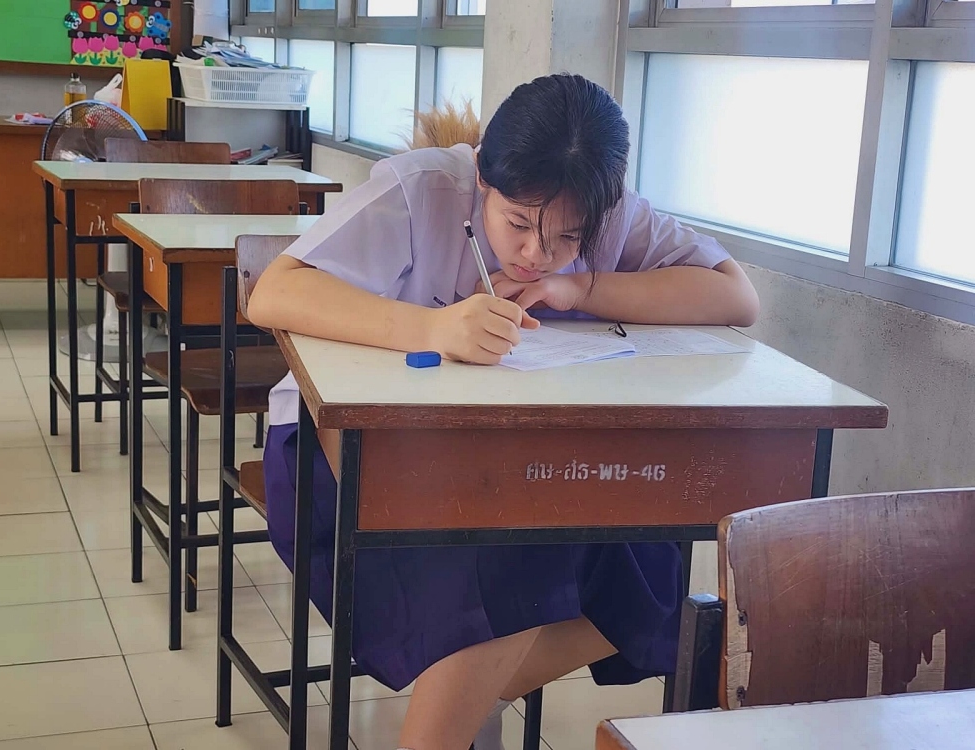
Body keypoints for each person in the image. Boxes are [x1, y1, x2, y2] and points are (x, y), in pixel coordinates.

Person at [248, 73, 759, 750]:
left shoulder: (608, 213)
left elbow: (736, 297)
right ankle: (454, 711)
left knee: (652, 570)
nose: (534, 253)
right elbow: (274, 293)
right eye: (518, 223)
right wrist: (432, 328)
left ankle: (466, 695)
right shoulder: (422, 188)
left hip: (518, 458)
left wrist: (582, 287)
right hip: (348, 447)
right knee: (511, 567)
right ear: (483, 179)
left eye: (566, 237)